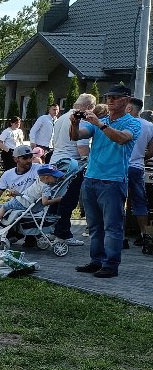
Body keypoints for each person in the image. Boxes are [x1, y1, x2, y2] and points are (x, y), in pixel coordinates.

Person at [71, 84, 142, 278]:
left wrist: (100, 125)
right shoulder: (101, 120)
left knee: (112, 226)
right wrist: (74, 123)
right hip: (91, 178)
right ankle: (97, 261)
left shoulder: (132, 123)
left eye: (115, 97)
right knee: (94, 226)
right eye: (108, 97)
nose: (110, 100)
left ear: (127, 101)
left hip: (113, 180)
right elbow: (76, 136)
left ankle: (111, 265)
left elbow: (122, 138)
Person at [49, 93, 95, 245]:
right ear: (89, 107)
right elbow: (82, 147)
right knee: (68, 200)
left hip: (56, 161)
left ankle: (50, 229)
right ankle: (63, 233)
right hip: (71, 165)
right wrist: (90, 161)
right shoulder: (81, 120)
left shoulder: (61, 118)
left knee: (54, 198)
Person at [0, 145, 40, 246]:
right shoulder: (7, 175)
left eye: (31, 157)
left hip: (33, 206)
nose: (29, 160)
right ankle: (15, 232)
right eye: (25, 158)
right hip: (17, 206)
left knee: (12, 209)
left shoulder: (38, 169)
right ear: (16, 159)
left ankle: (29, 235)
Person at [0, 165, 64, 229]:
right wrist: (58, 199)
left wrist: (57, 199)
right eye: (55, 177)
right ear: (46, 177)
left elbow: (44, 201)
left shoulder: (39, 180)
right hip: (23, 202)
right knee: (6, 207)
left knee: (5, 206)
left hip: (22, 201)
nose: (57, 179)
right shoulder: (45, 188)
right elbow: (45, 202)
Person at [124, 99, 153, 249]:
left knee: (118, 201)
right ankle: (144, 234)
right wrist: (141, 157)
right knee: (140, 201)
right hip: (137, 167)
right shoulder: (149, 126)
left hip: (119, 167)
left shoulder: (122, 122)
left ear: (129, 108)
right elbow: (151, 151)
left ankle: (120, 236)